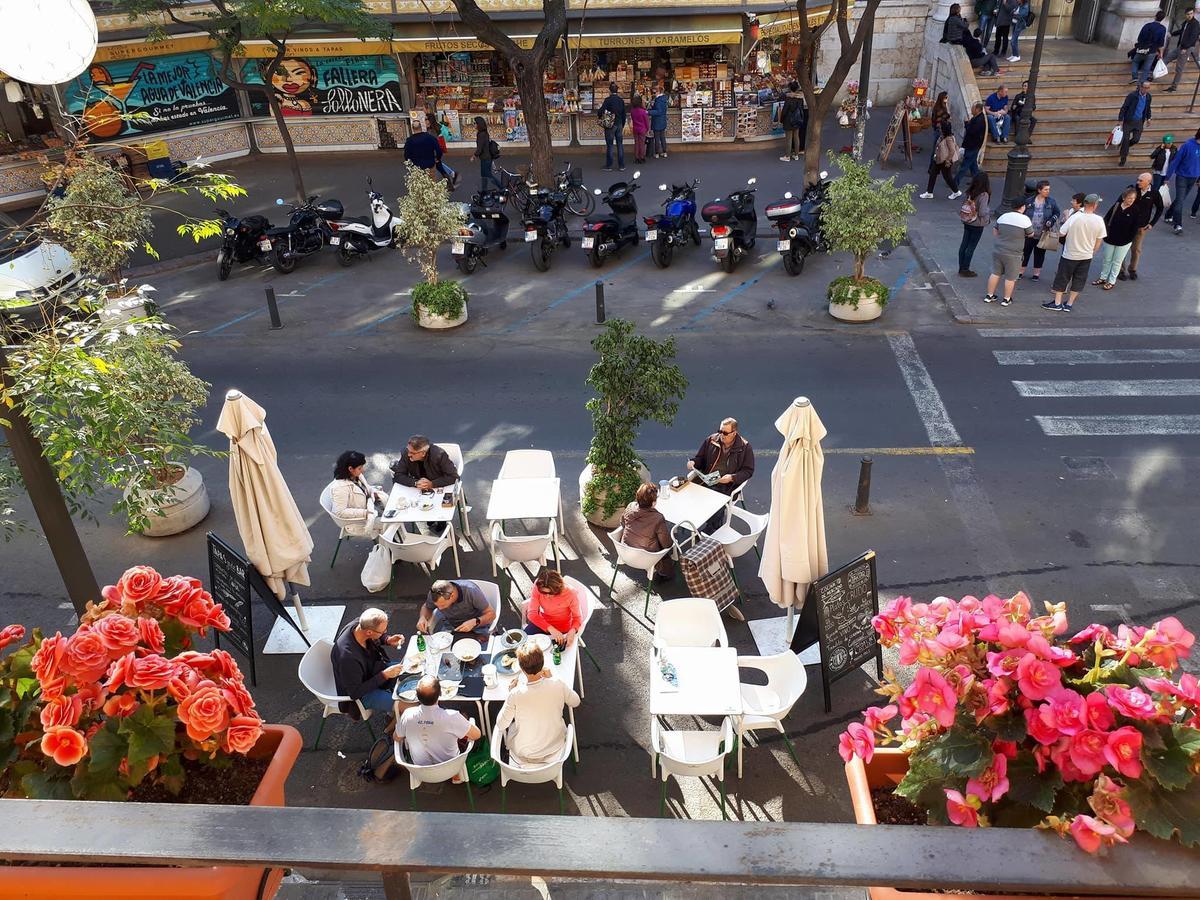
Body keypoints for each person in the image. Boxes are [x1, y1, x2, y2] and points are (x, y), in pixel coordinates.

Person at [492, 643, 580, 767]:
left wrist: (511, 692)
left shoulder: (515, 694)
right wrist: (552, 678)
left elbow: (501, 724)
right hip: (555, 747)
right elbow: (575, 702)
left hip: (524, 753)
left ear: (522, 669)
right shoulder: (557, 684)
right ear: (543, 664)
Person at [395, 675, 482, 768]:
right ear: (440, 693)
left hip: (421, 770)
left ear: (417, 696)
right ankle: (457, 776)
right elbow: (477, 735)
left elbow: (397, 737)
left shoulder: (407, 715)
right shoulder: (452, 717)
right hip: (452, 767)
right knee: (464, 718)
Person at [331, 608, 406, 714]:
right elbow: (355, 693)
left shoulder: (360, 624)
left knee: (409, 670)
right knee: (407, 706)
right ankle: (399, 722)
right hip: (363, 694)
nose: (385, 632)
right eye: (382, 632)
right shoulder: (348, 658)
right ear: (369, 632)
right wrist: (384, 675)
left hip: (374, 671)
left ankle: (396, 716)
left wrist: (387, 639)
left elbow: (375, 637)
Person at [1043, 193, 1106, 311]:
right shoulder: (1099, 220)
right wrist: (1093, 252)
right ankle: (1069, 304)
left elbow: (1061, 232)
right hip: (1086, 255)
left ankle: (1057, 303)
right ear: (1095, 205)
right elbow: (1099, 239)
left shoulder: (1075, 217)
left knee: (1062, 278)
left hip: (1070, 254)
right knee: (1079, 279)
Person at [619, 482, 675, 579]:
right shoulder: (658, 518)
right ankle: (664, 572)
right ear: (653, 502)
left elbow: (622, 523)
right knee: (668, 545)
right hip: (646, 558)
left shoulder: (630, 507)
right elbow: (667, 544)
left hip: (625, 552)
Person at [327, 450, 388, 537]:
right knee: (390, 523)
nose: (362, 470)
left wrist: (372, 493)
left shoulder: (355, 475)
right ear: (350, 469)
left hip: (369, 508)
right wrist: (365, 513)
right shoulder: (340, 488)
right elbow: (340, 512)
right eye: (360, 468)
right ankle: (391, 547)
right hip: (357, 521)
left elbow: (363, 489)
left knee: (393, 512)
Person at [984, 198, 1033, 306]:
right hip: (1014, 253)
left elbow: (995, 230)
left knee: (995, 273)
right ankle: (1006, 299)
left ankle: (989, 295)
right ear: (1022, 207)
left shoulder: (1003, 216)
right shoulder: (1025, 219)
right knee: (1011, 277)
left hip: (999, 249)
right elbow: (1030, 234)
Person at [1118, 171, 1163, 280]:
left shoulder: (1154, 193)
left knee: (1136, 249)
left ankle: (1132, 270)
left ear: (1148, 182)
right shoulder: (1132, 190)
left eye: (1140, 180)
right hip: (1127, 225)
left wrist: (1152, 223)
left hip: (1141, 227)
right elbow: (1119, 202)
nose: (1138, 182)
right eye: (1138, 179)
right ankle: (1120, 271)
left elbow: (1160, 208)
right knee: (1122, 248)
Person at [524, 568, 582, 647]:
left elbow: (577, 617)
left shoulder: (571, 593)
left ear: (559, 589)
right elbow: (532, 614)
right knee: (522, 645)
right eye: (543, 592)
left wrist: (572, 631)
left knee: (556, 656)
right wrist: (551, 629)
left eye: (550, 593)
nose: (546, 596)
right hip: (541, 623)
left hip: (562, 629)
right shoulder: (538, 585)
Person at [1094, 188, 1139, 289]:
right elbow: (1106, 219)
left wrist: (1128, 240)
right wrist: (1105, 234)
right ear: (1124, 198)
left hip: (1124, 242)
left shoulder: (1135, 210)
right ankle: (1103, 277)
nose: (1131, 200)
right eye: (1129, 198)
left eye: (1133, 198)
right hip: (1110, 239)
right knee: (1107, 259)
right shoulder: (1116, 206)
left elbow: (1135, 228)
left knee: (1117, 261)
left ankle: (1111, 281)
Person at [417, 579, 495, 637]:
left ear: (452, 595)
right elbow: (427, 607)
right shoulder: (434, 593)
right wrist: (422, 617)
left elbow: (491, 614)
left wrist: (476, 622)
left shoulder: (471, 591)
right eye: (437, 606)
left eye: (443, 605)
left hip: (477, 627)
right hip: (451, 626)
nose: (439, 609)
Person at [1019, 180, 1061, 281]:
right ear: (1039, 190)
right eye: (1045, 189)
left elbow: (1057, 213)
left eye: (1048, 189)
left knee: (1040, 253)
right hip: (1029, 233)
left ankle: (1036, 274)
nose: (1048, 191)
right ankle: (1020, 272)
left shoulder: (1051, 201)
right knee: (1025, 252)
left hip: (1043, 233)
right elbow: (1022, 213)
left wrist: (1051, 220)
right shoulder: (1029, 201)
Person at [404, 119, 459, 188]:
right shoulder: (429, 137)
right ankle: (449, 181)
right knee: (431, 185)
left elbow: (406, 155)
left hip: (417, 167)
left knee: (420, 186)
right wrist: (437, 158)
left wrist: (410, 166)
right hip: (430, 164)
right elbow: (438, 150)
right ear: (421, 127)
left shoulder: (409, 141)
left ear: (412, 128)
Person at [1165, 126, 1200, 233]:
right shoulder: (1187, 145)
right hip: (1182, 177)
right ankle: (1178, 225)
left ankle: (1168, 214)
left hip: (1193, 178)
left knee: (1181, 199)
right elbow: (1175, 161)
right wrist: (1167, 177)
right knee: (1180, 200)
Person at [391, 435, 458, 490]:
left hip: (439, 486)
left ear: (423, 453)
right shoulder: (406, 454)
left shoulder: (439, 455)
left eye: (412, 453)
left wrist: (432, 484)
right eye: (408, 450)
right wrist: (415, 483)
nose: (409, 454)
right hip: (418, 488)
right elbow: (398, 475)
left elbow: (453, 476)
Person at [957, 172, 991, 277]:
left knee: (964, 245)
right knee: (971, 247)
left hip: (967, 221)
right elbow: (982, 212)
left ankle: (961, 267)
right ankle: (965, 269)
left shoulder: (970, 191)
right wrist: (988, 211)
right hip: (977, 223)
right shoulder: (983, 195)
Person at [921, 120, 960, 199]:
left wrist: (948, 160)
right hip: (939, 159)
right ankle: (929, 192)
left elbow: (952, 150)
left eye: (941, 127)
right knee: (933, 173)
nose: (939, 128)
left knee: (947, 177)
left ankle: (956, 191)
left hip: (944, 160)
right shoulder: (943, 136)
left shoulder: (948, 138)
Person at [1117, 81, 1152, 167]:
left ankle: (1124, 147)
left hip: (1139, 121)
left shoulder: (1148, 97)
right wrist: (1121, 119)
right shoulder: (1132, 96)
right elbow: (1124, 107)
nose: (1145, 89)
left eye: (1147, 88)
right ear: (1140, 87)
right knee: (1125, 139)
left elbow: (1148, 108)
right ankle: (1123, 158)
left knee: (1136, 139)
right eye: (1144, 87)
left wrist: (1149, 118)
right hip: (1129, 121)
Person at [1130, 11, 1167, 85]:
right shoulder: (1162, 28)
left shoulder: (1147, 25)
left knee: (1135, 61)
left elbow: (1139, 38)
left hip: (1142, 48)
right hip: (1152, 51)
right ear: (1163, 19)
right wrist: (1161, 53)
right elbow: (1161, 43)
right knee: (1146, 68)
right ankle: (1141, 83)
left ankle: (1135, 77)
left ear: (1155, 16)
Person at [956, 102, 986, 192]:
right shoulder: (977, 118)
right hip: (973, 146)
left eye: (973, 108)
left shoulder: (978, 120)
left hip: (972, 146)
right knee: (973, 167)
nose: (971, 110)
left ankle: (955, 182)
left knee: (965, 165)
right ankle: (977, 182)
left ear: (977, 109)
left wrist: (966, 123)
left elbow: (971, 131)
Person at [1167, 9, 1200, 92]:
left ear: (1193, 14)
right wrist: (1172, 34)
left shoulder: (1195, 24)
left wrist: (1185, 48)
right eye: (1188, 14)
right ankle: (1155, 75)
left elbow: (1193, 37)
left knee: (1179, 67)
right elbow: (1181, 31)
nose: (1190, 15)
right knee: (1167, 58)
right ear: (1185, 14)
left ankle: (1174, 86)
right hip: (1180, 47)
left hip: (1186, 48)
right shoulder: (1186, 22)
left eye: (1191, 14)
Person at [599, 83, 627, 172]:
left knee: (610, 145)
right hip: (619, 124)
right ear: (617, 90)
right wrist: (622, 124)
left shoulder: (607, 100)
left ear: (609, 90)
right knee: (620, 145)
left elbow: (602, 111)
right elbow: (624, 114)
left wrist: (599, 114)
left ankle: (609, 165)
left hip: (610, 125)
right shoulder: (620, 100)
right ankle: (621, 165)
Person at [472, 116, 503, 192]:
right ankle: (484, 190)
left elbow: (480, 148)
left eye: (475, 123)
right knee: (484, 176)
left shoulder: (481, 134)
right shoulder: (484, 133)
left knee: (488, 175)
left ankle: (502, 187)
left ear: (479, 124)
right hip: (486, 157)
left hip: (486, 158)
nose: (474, 125)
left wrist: (474, 156)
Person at [779, 81, 806, 162]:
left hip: (788, 120)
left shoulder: (788, 98)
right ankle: (796, 155)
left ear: (790, 88)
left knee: (789, 138)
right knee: (796, 137)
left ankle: (787, 156)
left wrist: (781, 120)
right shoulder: (800, 99)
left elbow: (784, 111)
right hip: (797, 119)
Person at [629, 95, 650, 165]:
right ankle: (642, 157)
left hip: (635, 128)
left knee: (636, 143)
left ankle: (636, 157)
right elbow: (646, 121)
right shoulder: (643, 111)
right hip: (642, 129)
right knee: (642, 144)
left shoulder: (632, 111)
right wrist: (647, 129)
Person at [650, 85, 669, 159]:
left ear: (658, 91)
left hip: (657, 120)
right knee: (662, 137)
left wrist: (648, 112)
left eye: (655, 92)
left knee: (657, 138)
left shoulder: (658, 100)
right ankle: (664, 152)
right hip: (663, 120)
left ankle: (657, 153)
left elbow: (658, 111)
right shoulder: (664, 99)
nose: (654, 93)